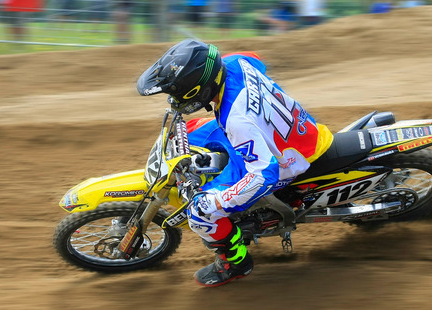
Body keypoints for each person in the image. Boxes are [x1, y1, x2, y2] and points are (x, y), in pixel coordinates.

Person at [136, 40, 334, 287]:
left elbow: (265, 174)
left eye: (175, 94)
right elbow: (256, 58)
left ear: (198, 89)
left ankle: (235, 262)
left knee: (200, 214)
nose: (172, 100)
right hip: (291, 131)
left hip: (287, 158)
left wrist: (216, 201)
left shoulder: (236, 119)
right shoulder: (234, 62)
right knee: (187, 130)